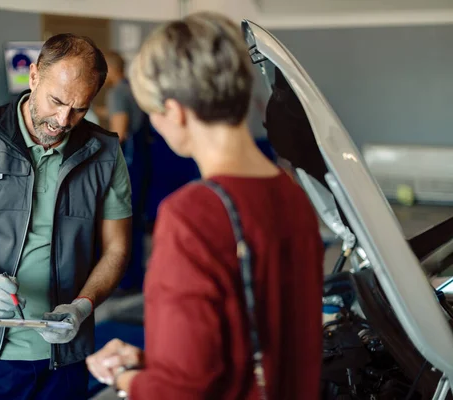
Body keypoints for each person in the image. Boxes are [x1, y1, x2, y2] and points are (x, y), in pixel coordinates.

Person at [86, 12, 324, 399]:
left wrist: (125, 379)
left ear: (175, 111)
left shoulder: (192, 215)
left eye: (154, 114)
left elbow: (182, 392)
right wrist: (152, 360)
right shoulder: (292, 193)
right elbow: (248, 346)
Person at [0, 33, 132, 400]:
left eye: (79, 108)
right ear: (34, 75)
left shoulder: (105, 152)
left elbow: (117, 249)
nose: (63, 119)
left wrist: (82, 306)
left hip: (65, 354)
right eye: (56, 101)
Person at [101, 51, 148, 293]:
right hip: (141, 159)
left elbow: (119, 133)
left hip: (127, 162)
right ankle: (135, 277)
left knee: (122, 220)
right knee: (136, 220)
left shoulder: (117, 92)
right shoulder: (132, 88)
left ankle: (125, 280)